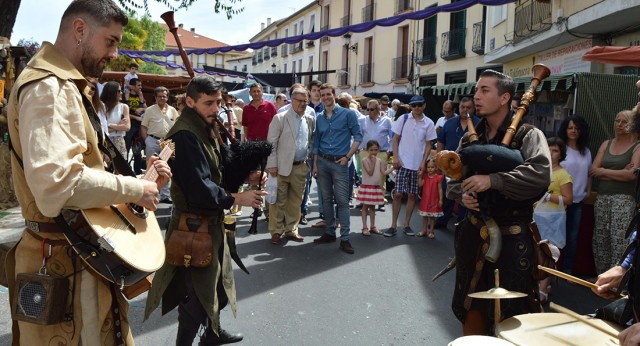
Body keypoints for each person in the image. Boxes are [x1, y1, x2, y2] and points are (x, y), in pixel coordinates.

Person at [7, 1, 171, 344]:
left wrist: (140, 183)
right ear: (80, 30)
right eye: (110, 41)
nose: (114, 53)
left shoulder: (68, 86)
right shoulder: (49, 88)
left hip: (79, 256)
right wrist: (133, 189)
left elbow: (87, 170)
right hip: (60, 262)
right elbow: (57, 185)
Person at [144, 76, 265, 346]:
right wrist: (239, 197)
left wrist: (250, 177)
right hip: (193, 229)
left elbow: (218, 169)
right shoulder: (184, 135)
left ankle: (212, 332)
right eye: (208, 103)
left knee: (218, 287)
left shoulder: (204, 125)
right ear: (190, 102)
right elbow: (200, 188)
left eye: (218, 102)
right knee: (197, 297)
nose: (215, 108)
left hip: (209, 224)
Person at [447, 70, 550, 335]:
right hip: (472, 236)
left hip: (512, 242)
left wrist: (493, 180)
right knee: (472, 311)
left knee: (514, 318)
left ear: (505, 97)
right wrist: (464, 193)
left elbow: (539, 176)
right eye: (476, 90)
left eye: (484, 90)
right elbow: (454, 175)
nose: (476, 96)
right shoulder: (470, 137)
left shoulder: (529, 135)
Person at [312, 83, 362, 254]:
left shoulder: (348, 114)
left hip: (340, 163)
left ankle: (345, 238)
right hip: (323, 163)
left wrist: (347, 157)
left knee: (342, 202)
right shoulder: (319, 117)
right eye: (322, 94)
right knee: (325, 200)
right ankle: (329, 232)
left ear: (334, 95)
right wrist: (315, 164)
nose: (325, 97)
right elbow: (317, 142)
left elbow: (358, 137)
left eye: (328, 94)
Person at [590, 109, 640, 274]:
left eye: (624, 122)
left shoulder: (637, 146)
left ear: (632, 124)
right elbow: (593, 170)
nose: (619, 125)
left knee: (619, 239)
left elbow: (630, 175)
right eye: (617, 121)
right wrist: (618, 173)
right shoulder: (606, 144)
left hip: (624, 199)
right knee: (600, 239)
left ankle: (616, 281)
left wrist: (604, 172)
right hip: (602, 197)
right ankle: (602, 277)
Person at [266, 87, 315, 244]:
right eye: (299, 101)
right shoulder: (280, 118)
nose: (303, 104)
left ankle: (291, 229)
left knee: (296, 201)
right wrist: (272, 165)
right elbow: (271, 143)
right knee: (278, 201)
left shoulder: (309, 119)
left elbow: (311, 140)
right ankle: (276, 231)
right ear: (292, 101)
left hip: (300, 166)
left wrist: (308, 158)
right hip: (281, 167)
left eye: (305, 101)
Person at [386, 95, 437, 237]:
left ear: (424, 105)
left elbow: (429, 144)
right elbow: (395, 139)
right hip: (402, 163)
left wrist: (423, 162)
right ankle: (393, 225)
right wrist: (396, 158)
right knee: (397, 194)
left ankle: (406, 224)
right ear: (410, 106)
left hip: (417, 164)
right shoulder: (403, 119)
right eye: (414, 105)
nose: (416, 108)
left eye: (419, 105)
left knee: (412, 195)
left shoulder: (429, 123)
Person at [538, 137, 573, 304]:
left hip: (554, 220)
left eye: (555, 151)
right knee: (536, 253)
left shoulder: (563, 175)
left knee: (550, 254)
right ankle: (537, 283)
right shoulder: (539, 170)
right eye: (549, 149)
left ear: (561, 154)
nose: (551, 154)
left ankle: (543, 289)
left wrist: (548, 196)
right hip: (536, 218)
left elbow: (569, 199)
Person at [435, 97, 480, 229]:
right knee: (447, 192)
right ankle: (442, 220)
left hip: (468, 168)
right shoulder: (449, 123)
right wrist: (439, 162)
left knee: (465, 194)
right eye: (462, 107)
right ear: (458, 108)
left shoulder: (479, 124)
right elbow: (440, 141)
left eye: (468, 107)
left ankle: (462, 222)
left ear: (474, 108)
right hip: (449, 167)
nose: (465, 110)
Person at [558, 115, 592, 274]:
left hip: (578, 200)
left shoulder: (587, 152)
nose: (573, 131)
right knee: (555, 236)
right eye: (570, 128)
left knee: (572, 237)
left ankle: (567, 271)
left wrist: (588, 191)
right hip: (558, 200)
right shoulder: (560, 148)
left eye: (577, 128)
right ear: (565, 129)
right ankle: (550, 272)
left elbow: (589, 173)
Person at [140, 86, 179, 203]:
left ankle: (165, 195)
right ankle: (150, 193)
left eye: (164, 96)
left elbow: (177, 126)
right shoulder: (150, 110)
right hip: (152, 140)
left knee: (166, 168)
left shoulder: (173, 110)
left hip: (167, 142)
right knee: (152, 168)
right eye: (160, 96)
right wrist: (147, 140)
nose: (162, 98)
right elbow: (143, 126)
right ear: (155, 97)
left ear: (167, 97)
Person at [358, 99, 393, 210]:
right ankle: (364, 199)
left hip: (381, 152)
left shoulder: (387, 121)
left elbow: (393, 137)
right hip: (365, 152)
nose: (369, 111)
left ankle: (380, 200)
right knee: (365, 177)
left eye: (372, 109)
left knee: (380, 177)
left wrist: (390, 151)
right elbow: (358, 135)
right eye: (367, 109)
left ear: (378, 109)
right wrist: (359, 148)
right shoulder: (362, 120)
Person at [357, 140, 393, 236]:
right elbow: (370, 172)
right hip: (367, 187)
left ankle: (373, 226)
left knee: (372, 207)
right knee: (365, 207)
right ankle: (365, 227)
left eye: (376, 150)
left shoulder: (379, 161)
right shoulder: (364, 160)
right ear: (367, 150)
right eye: (371, 150)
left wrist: (393, 168)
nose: (374, 152)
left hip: (375, 187)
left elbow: (384, 173)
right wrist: (373, 162)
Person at [99, 80, 130, 157]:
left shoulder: (124, 107)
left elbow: (127, 127)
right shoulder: (101, 106)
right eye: (119, 91)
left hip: (119, 141)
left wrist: (109, 125)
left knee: (120, 167)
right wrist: (119, 125)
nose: (121, 93)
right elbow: (100, 129)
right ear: (111, 92)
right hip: (105, 141)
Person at [124, 77, 146, 174]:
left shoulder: (140, 95)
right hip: (129, 126)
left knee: (138, 149)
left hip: (138, 126)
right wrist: (135, 117)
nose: (140, 87)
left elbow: (147, 108)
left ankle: (137, 170)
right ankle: (125, 169)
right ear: (132, 86)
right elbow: (123, 112)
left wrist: (141, 108)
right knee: (126, 149)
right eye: (138, 85)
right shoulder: (126, 95)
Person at [417, 159, 443, 238]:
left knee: (432, 217)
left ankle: (431, 231)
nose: (430, 169)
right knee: (424, 216)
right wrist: (420, 177)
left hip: (433, 200)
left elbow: (440, 189)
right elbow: (420, 185)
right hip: (425, 200)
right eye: (428, 167)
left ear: (436, 168)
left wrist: (440, 200)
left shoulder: (438, 177)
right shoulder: (425, 176)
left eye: (432, 167)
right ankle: (424, 230)